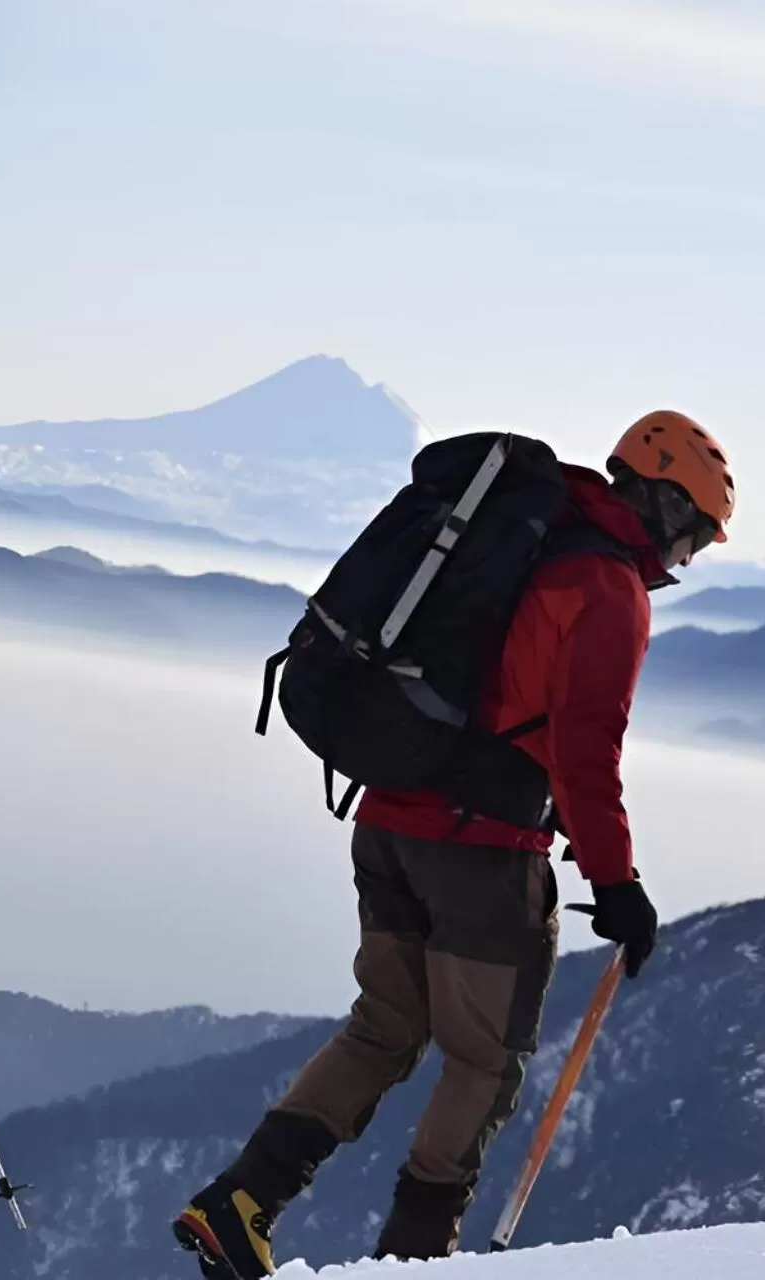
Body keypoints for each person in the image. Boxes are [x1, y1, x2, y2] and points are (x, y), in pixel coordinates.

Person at [174, 410, 736, 1277]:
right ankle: (417, 1260)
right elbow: (586, 751)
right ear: (663, 505)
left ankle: (240, 1202)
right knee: (484, 1061)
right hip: (484, 847)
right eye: (692, 537)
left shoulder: (525, 535)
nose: (683, 560)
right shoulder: (605, 590)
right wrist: (617, 883)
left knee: (384, 1028)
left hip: (388, 817)